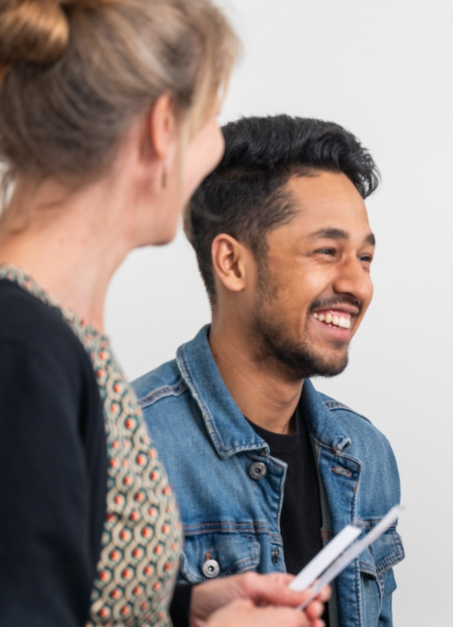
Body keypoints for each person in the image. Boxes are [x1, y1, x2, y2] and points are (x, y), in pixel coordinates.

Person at [0, 1, 328, 625]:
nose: (213, 152)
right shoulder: (23, 353)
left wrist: (186, 610)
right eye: (208, 123)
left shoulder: (50, 337)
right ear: (160, 129)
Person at [133, 115, 403, 627]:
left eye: (364, 257)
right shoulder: (127, 445)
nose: (357, 284)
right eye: (327, 251)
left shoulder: (368, 455)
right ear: (232, 264)